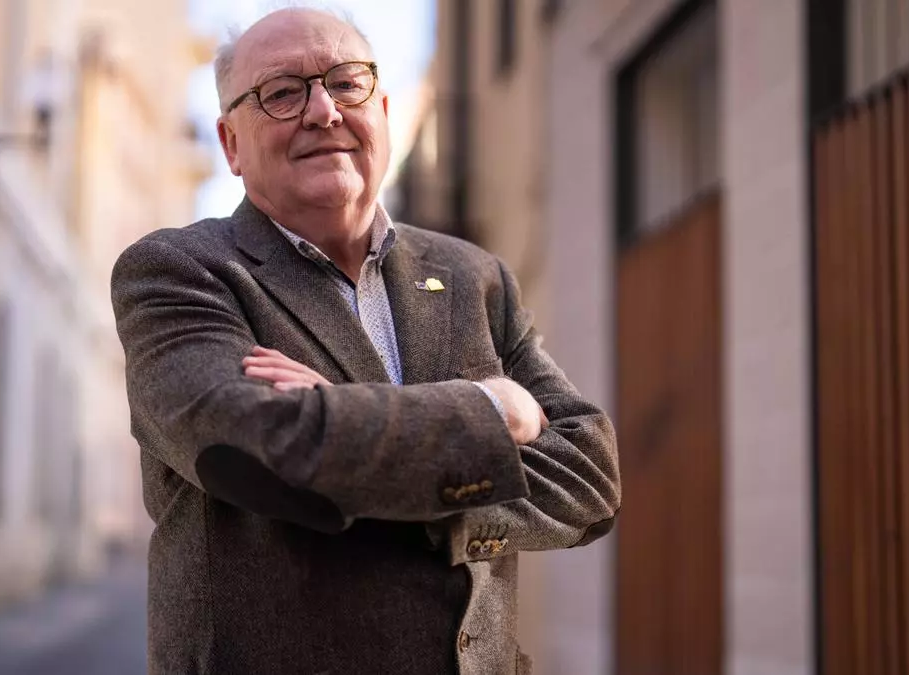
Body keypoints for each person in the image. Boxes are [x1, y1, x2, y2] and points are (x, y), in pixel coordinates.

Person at [110, 8, 620, 675]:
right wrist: (493, 411)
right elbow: (252, 451)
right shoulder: (180, 272)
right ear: (230, 144)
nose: (324, 111)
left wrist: (346, 424)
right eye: (282, 93)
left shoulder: (474, 277)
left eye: (346, 83)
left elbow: (590, 478)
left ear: (381, 109)